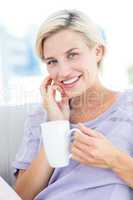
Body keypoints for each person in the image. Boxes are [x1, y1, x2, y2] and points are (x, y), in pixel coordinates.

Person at [13, 9, 133, 200]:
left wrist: (113, 158)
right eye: (52, 61)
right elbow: (20, 196)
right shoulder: (40, 115)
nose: (63, 72)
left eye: (72, 55)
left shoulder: (129, 106)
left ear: (98, 52)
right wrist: (56, 127)